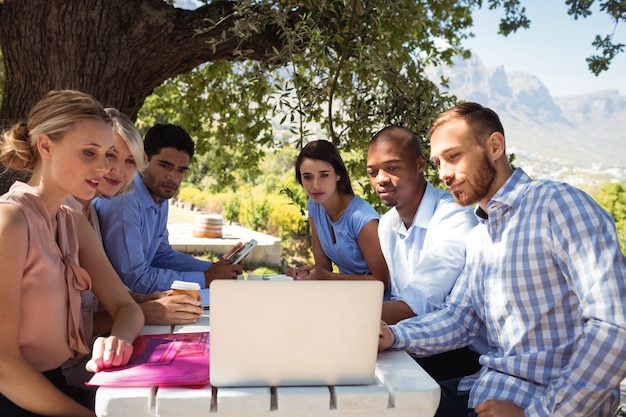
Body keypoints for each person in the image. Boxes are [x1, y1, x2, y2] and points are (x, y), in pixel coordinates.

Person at [379, 102, 626, 417]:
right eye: (438, 162)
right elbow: (460, 319)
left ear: (495, 146)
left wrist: (539, 414)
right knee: (377, 403)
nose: (444, 174)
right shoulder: (481, 235)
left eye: (454, 157)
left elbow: (615, 324)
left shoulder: (558, 206)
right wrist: (395, 335)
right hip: (483, 389)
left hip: (538, 402)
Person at [0, 89, 144, 417]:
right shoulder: (10, 221)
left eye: (107, 153)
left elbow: (127, 307)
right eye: (88, 153)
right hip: (14, 397)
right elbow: (4, 365)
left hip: (55, 386)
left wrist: (118, 340)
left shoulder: (72, 220)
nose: (103, 167)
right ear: (46, 145)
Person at [366, 125, 485, 382]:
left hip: (467, 355)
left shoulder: (454, 215)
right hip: (415, 341)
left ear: (420, 164)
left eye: (393, 167)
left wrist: (337, 314)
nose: (381, 179)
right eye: (373, 172)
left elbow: (418, 305)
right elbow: (401, 300)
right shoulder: (387, 225)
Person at [94, 123, 242, 294]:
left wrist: (216, 269)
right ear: (144, 160)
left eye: (181, 170)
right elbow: (135, 279)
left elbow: (160, 256)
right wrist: (206, 277)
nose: (173, 177)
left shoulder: (159, 196)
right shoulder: (123, 200)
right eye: (165, 166)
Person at [288, 140, 389, 288]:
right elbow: (323, 265)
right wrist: (306, 273)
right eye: (308, 177)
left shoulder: (363, 219)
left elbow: (382, 282)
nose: (315, 185)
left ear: (338, 175)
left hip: (380, 303)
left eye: (324, 175)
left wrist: (328, 278)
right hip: (344, 295)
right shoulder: (314, 206)